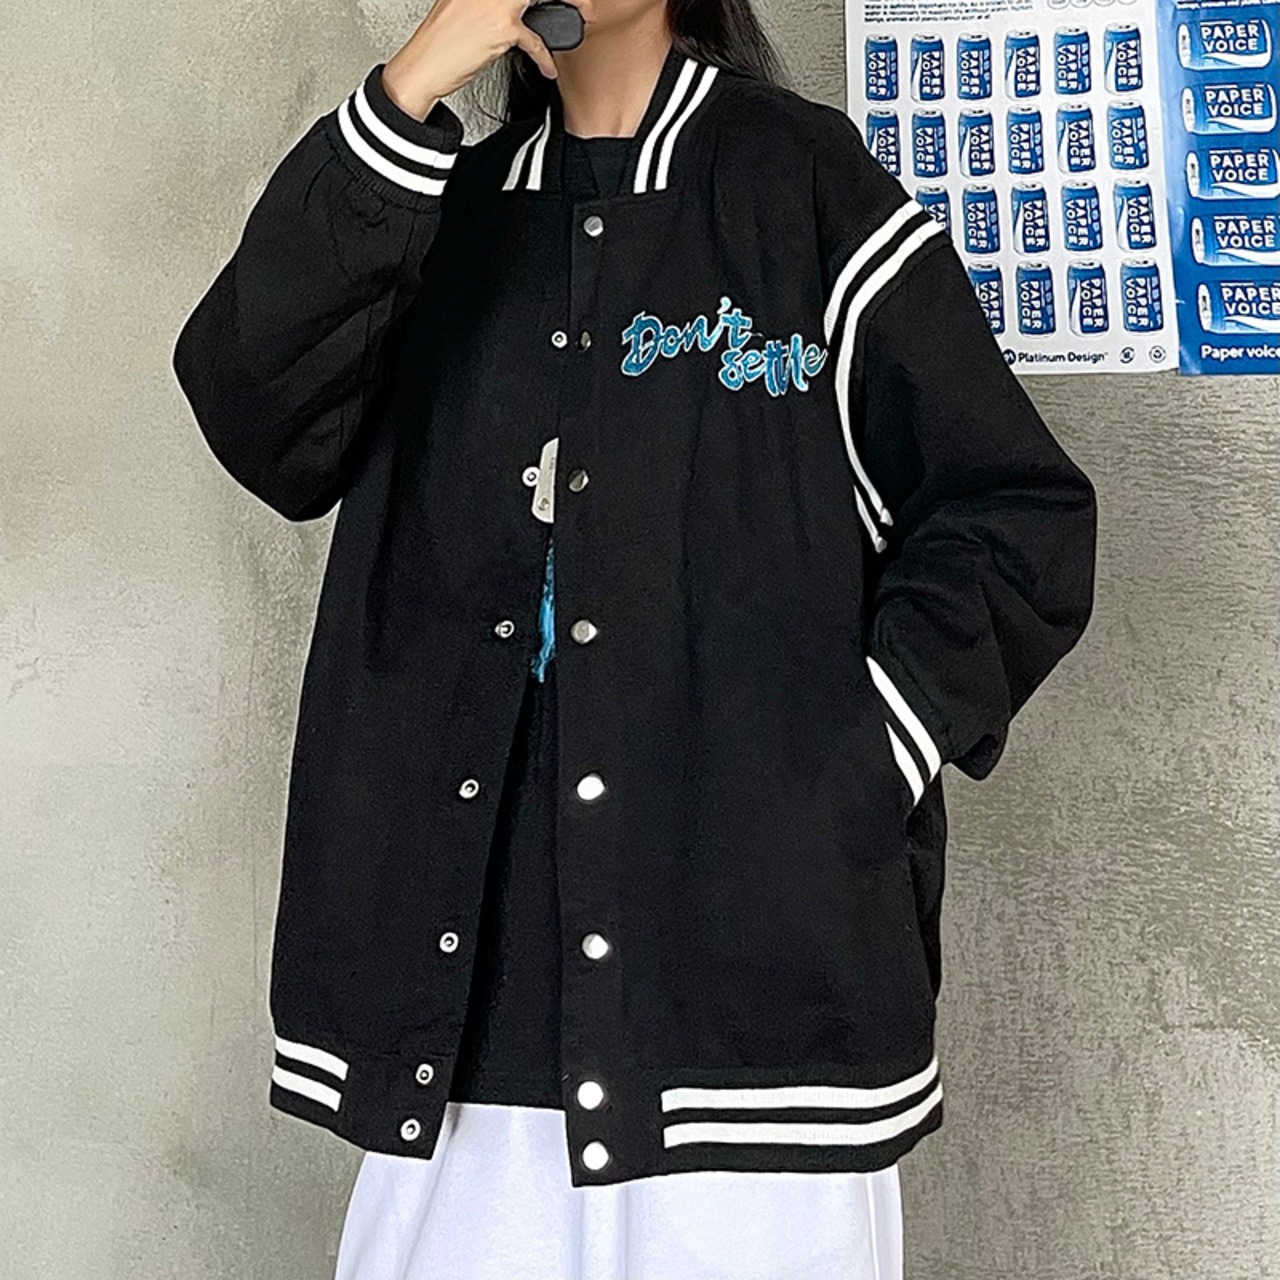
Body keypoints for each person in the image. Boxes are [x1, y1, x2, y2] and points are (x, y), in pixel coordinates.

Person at [171, 0, 1098, 1276]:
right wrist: (407, 90)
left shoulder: (800, 187)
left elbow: (1014, 514)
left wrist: (850, 761)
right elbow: (257, 412)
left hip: (751, 1009)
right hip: (468, 1016)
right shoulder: (437, 209)